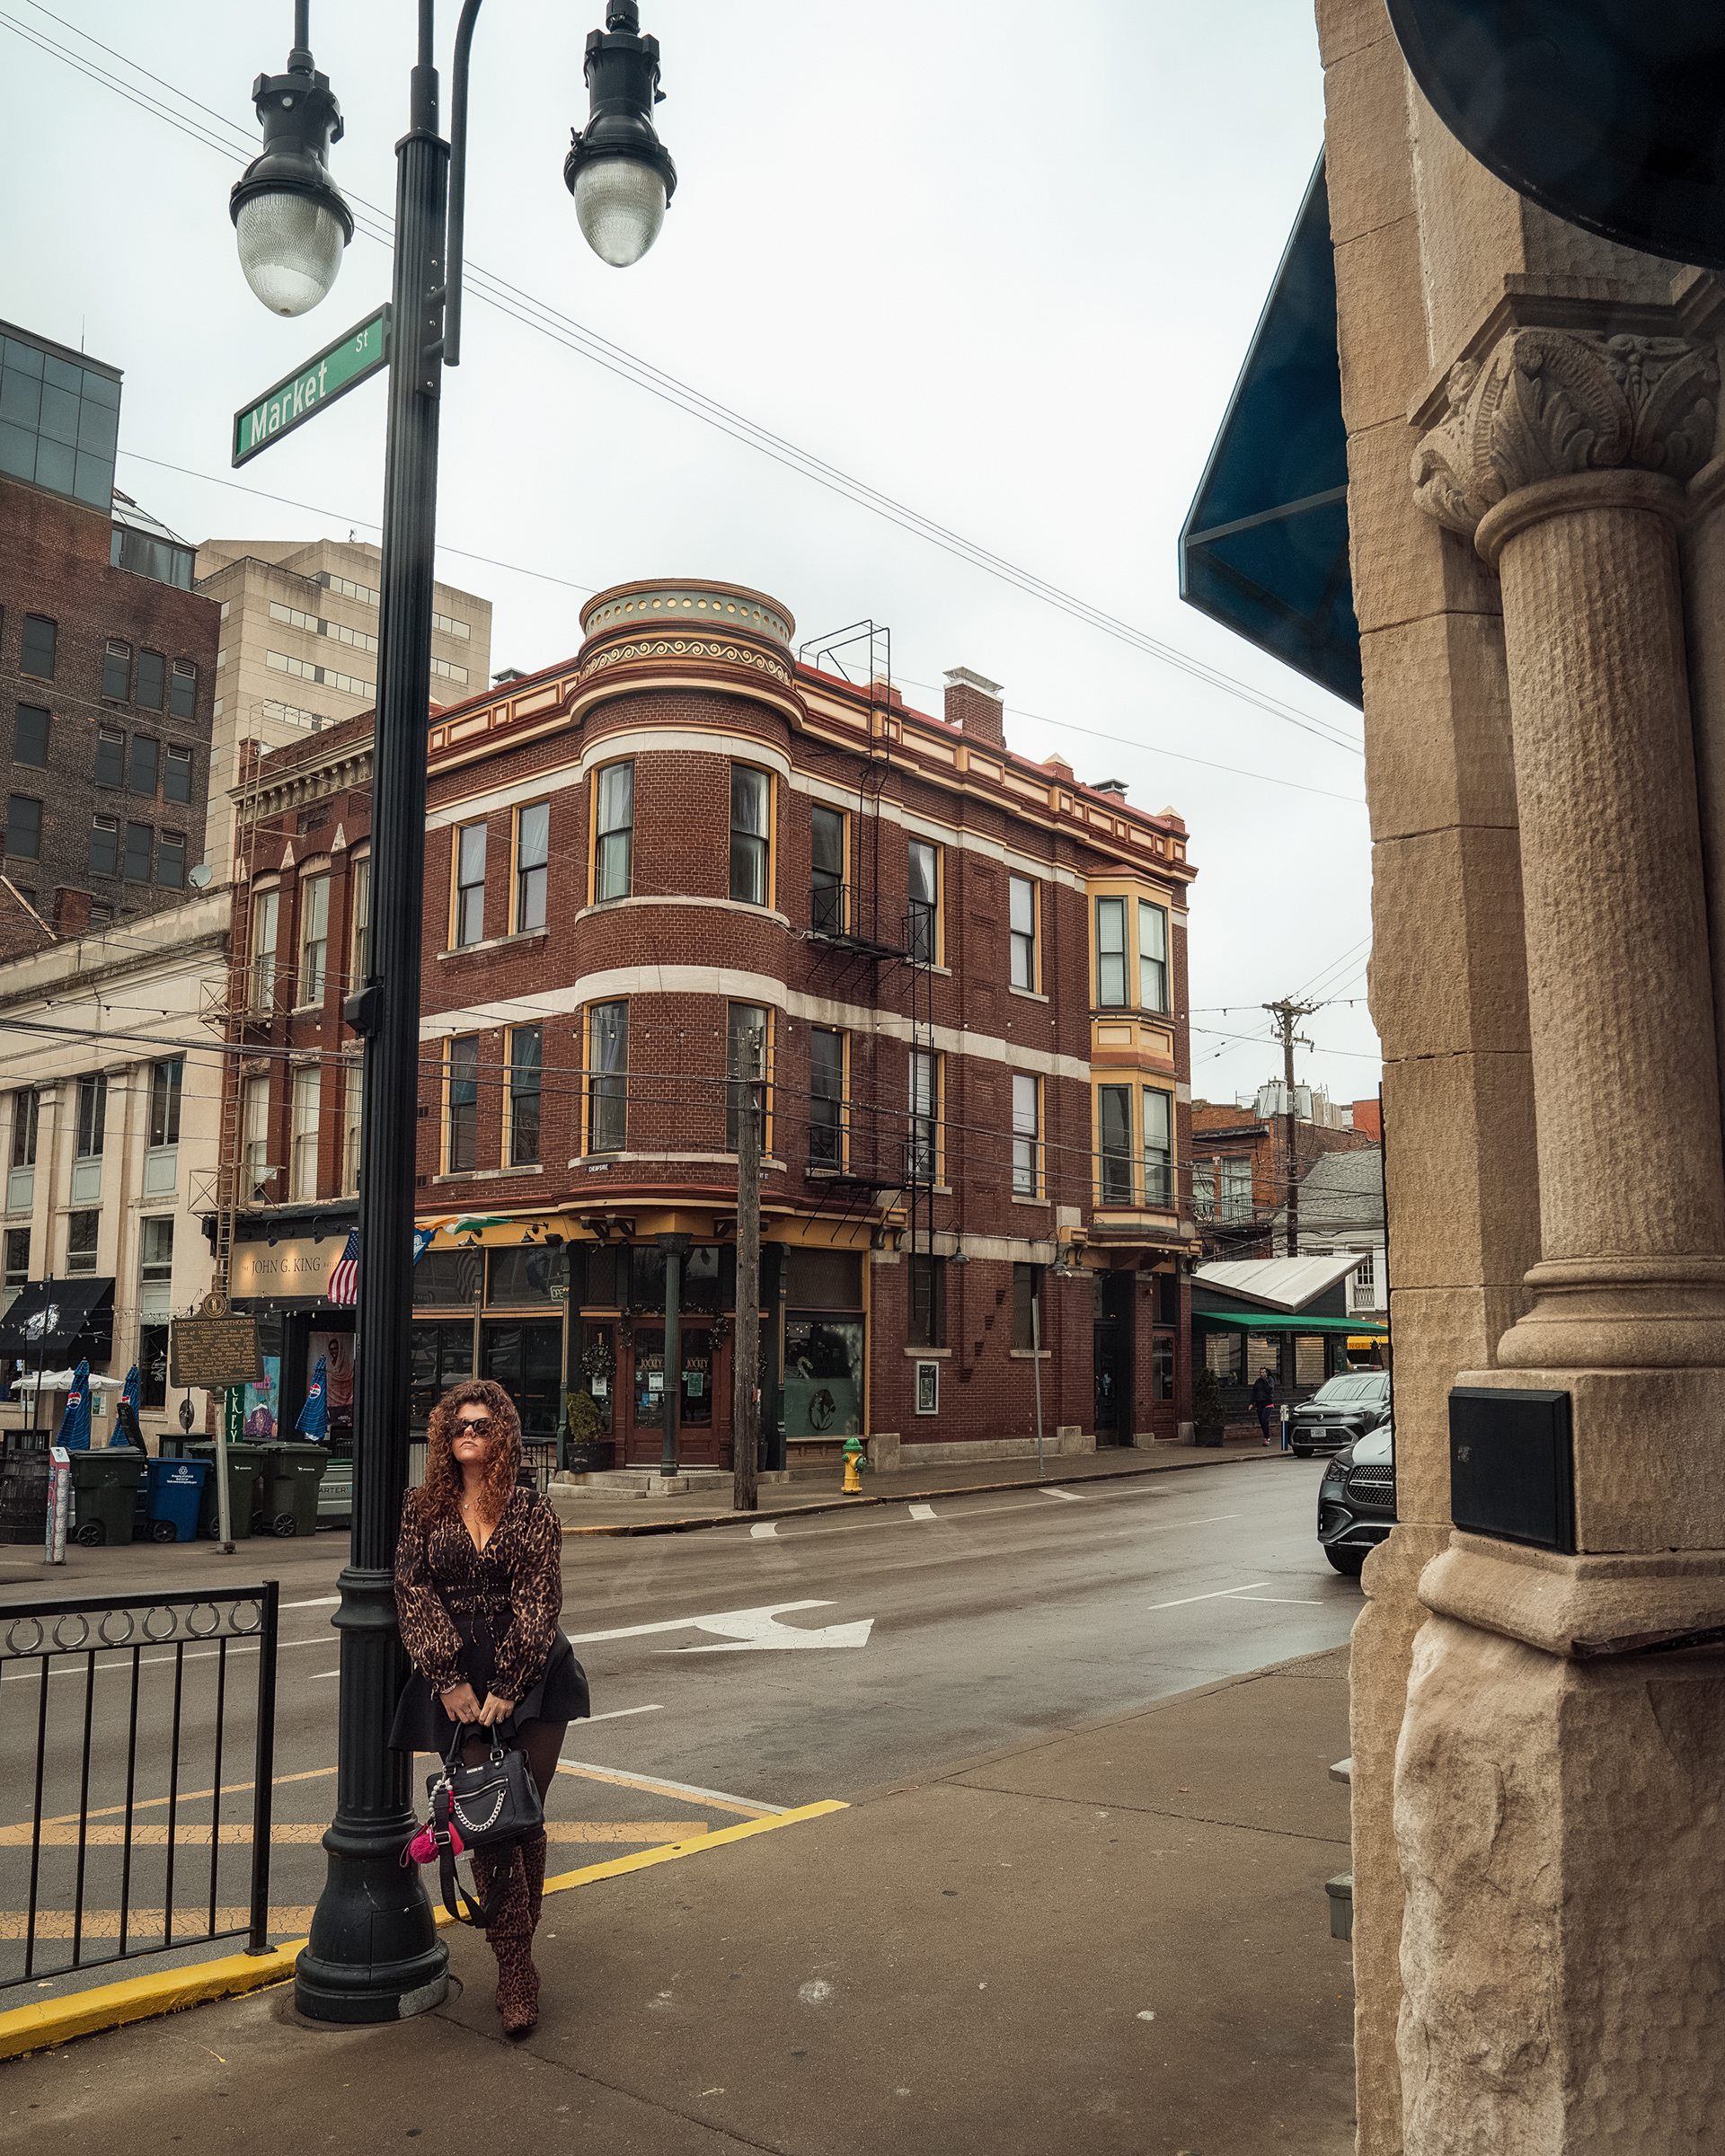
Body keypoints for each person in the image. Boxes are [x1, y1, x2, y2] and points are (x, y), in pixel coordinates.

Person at [390, 1378, 588, 2039]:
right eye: (458, 1426)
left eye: (480, 1425)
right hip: (457, 1677)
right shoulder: (421, 1508)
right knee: (489, 1825)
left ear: (502, 1435)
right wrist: (448, 1679)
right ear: (443, 1438)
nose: (468, 1434)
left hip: (534, 1673)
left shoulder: (532, 1510)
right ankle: (517, 1970)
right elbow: (412, 1592)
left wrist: (510, 1682)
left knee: (524, 1815)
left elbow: (540, 1597)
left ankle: (516, 1956)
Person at [1250, 1366, 1278, 1447]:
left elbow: (1269, 1390)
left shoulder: (1270, 1380)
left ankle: (1267, 1439)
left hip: (1267, 1403)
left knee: (1264, 1419)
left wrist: (1265, 1380)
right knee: (1262, 1421)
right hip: (1259, 1403)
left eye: (1263, 1372)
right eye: (1260, 1372)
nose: (1261, 1374)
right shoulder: (1258, 1381)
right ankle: (1266, 1437)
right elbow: (1254, 1392)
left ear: (1266, 1373)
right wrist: (1251, 1403)